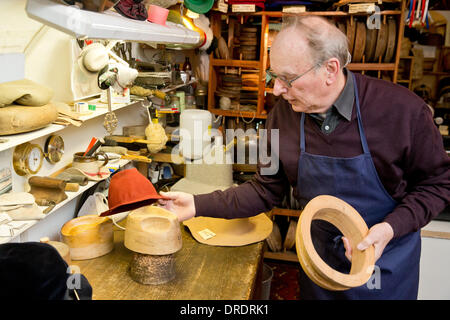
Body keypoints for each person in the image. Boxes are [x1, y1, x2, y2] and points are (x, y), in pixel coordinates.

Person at [159, 16, 450, 299]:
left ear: (330, 70)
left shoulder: (402, 111)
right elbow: (264, 190)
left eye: (288, 79)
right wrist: (196, 205)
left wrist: (390, 228)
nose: (277, 89)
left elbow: (438, 184)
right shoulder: (280, 117)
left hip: (385, 266)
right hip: (319, 263)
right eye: (274, 77)